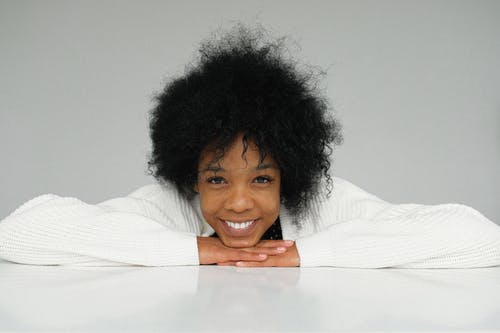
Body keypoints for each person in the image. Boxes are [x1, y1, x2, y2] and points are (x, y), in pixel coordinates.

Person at [1, 26, 499, 268]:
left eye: (262, 178)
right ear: (190, 176)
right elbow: (19, 233)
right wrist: (198, 249)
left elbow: (482, 239)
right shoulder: (170, 207)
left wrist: (305, 253)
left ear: (290, 176)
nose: (238, 202)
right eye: (216, 178)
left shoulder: (327, 205)